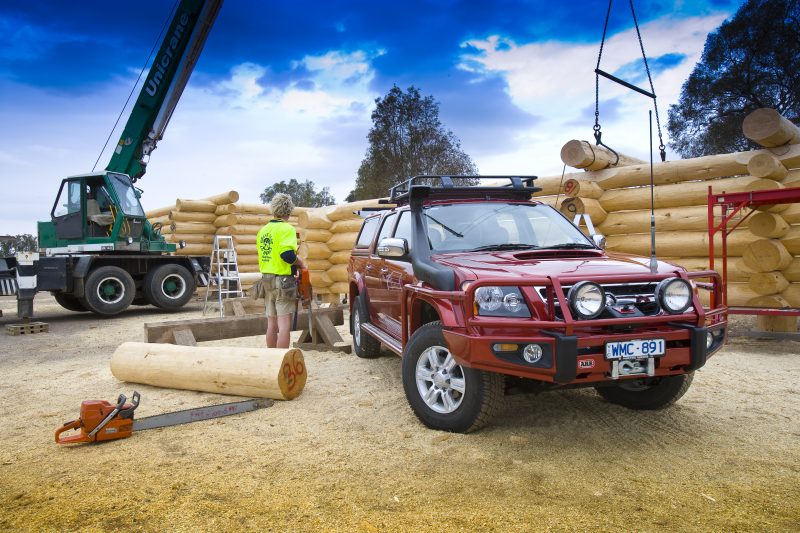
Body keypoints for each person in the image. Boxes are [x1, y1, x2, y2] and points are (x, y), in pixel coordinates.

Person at [257, 193, 304, 348]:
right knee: (284, 325)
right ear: (289, 210)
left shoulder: (263, 231)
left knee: (271, 324)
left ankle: (271, 359)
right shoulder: (287, 229)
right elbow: (287, 255)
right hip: (283, 280)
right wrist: (301, 263)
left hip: (266, 280)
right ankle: (281, 361)